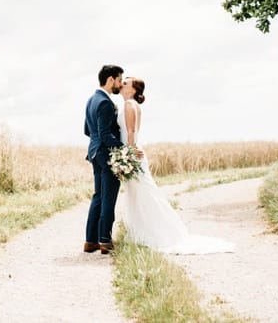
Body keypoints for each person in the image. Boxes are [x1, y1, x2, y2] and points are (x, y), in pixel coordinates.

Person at [117, 77, 235, 254]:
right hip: (133, 151)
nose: (121, 84)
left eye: (125, 83)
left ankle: (155, 233)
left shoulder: (129, 105)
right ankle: (142, 231)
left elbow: (132, 131)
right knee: (139, 193)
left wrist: (130, 153)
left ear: (133, 90)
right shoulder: (133, 105)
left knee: (142, 193)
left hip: (133, 152)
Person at [83, 64, 124, 254]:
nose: (120, 84)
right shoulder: (105, 102)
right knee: (108, 197)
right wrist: (124, 151)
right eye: (119, 80)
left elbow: (87, 130)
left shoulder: (91, 100)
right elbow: (105, 134)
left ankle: (90, 241)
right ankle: (105, 240)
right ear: (110, 80)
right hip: (106, 155)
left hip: (93, 152)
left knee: (98, 196)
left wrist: (97, 142)